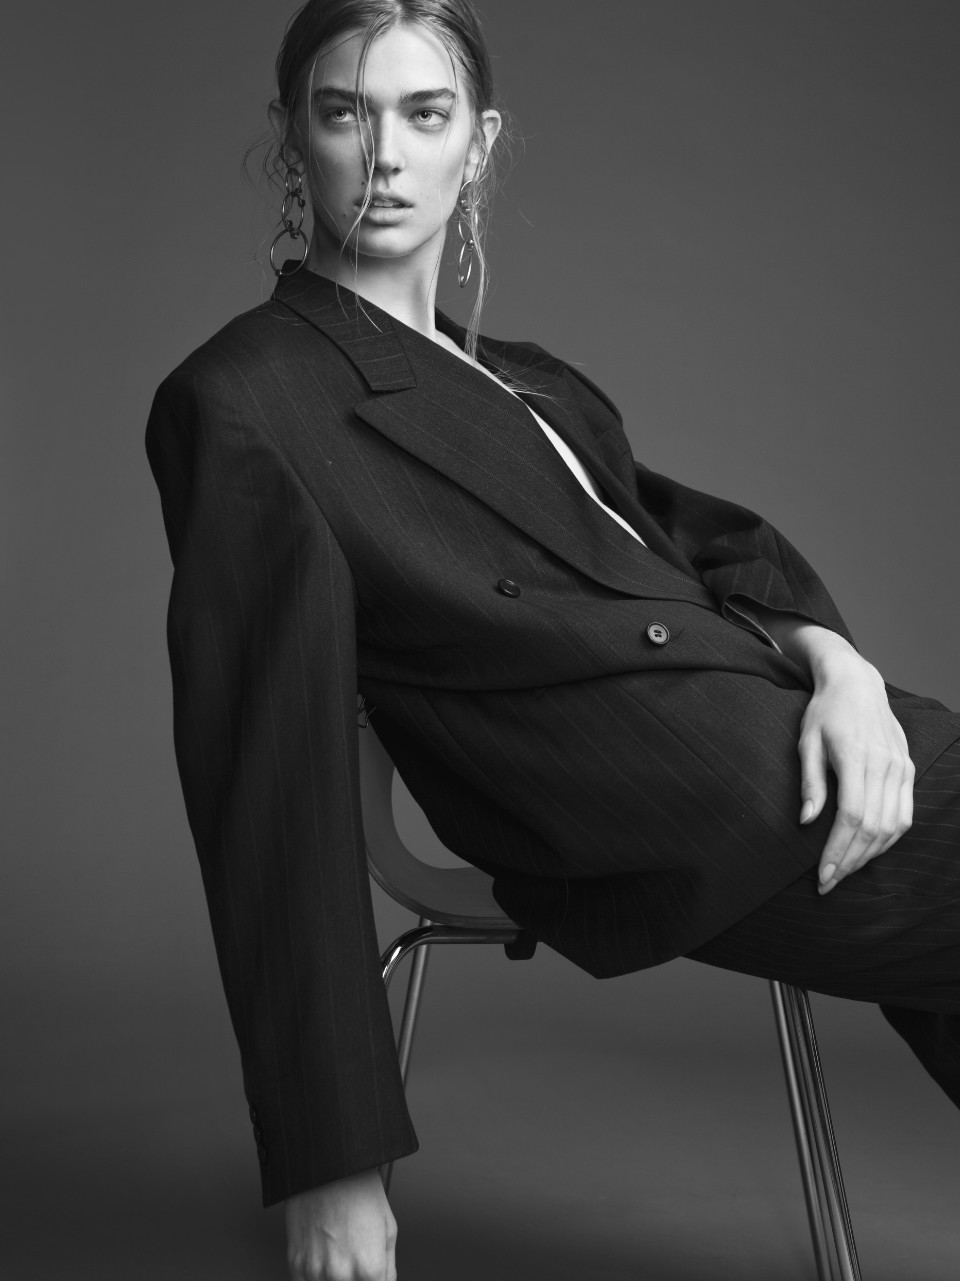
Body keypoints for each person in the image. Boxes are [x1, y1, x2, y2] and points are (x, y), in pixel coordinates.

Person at [145, 2, 960, 1278]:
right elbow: (271, 787)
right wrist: (330, 1164)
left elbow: (713, 539)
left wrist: (842, 670)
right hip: (678, 813)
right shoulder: (248, 398)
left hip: (811, 739)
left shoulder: (530, 378)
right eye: (345, 113)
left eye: (425, 115)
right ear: (292, 135)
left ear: (479, 143)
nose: (385, 156)